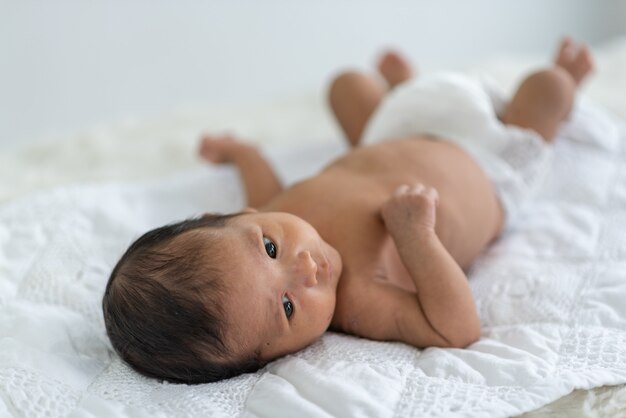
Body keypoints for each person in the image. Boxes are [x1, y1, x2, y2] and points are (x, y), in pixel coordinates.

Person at [102, 38, 594, 384]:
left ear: (239, 215)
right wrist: (416, 236)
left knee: (345, 86)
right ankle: (568, 80)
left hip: (395, 132)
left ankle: (406, 88)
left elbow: (265, 186)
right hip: (489, 164)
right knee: (547, 88)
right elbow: (457, 329)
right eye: (289, 307)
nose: (306, 269)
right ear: (277, 355)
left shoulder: (277, 208)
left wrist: (243, 153)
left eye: (270, 248)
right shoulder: (359, 300)